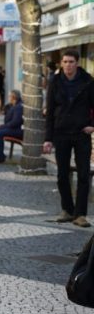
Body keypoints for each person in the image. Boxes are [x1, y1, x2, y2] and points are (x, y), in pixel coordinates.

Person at [43, 49, 94, 228]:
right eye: (65, 62)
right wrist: (48, 138)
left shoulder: (88, 81)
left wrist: (92, 125)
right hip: (61, 133)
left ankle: (80, 214)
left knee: (83, 174)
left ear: (77, 63)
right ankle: (67, 209)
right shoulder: (55, 81)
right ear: (61, 63)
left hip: (82, 133)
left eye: (71, 62)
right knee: (62, 174)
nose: (68, 65)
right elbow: (50, 111)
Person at [0, 89, 23, 164]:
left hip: (18, 131)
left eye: (9, 96)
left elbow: (15, 122)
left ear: (14, 97)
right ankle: (0, 155)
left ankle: (0, 157)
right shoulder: (14, 105)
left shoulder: (18, 107)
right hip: (14, 129)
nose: (8, 98)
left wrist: (2, 126)